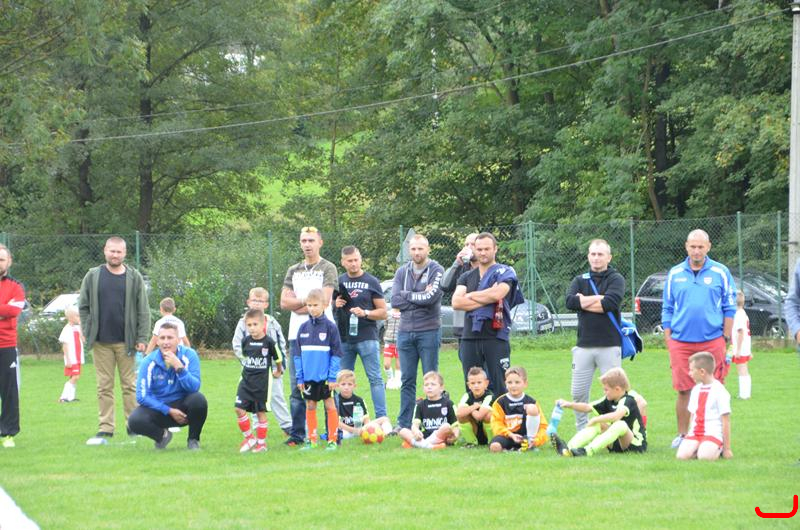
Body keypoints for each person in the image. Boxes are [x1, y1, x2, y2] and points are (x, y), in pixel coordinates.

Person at [662, 229, 736, 449]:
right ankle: (683, 435)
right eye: (693, 247)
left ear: (708, 247)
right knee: (683, 389)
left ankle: (716, 437)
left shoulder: (721, 272)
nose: (696, 251)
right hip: (681, 342)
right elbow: (667, 307)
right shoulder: (675, 273)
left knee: (715, 389)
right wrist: (669, 339)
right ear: (686, 247)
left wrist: (725, 336)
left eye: (700, 247)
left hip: (712, 340)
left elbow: (729, 306)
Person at [79, 236, 151, 444]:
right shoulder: (93, 275)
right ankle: (106, 428)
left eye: (119, 251)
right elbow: (83, 306)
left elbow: (143, 310)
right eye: (112, 251)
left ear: (125, 253)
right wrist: (86, 330)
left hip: (127, 342)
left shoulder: (134, 277)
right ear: (105, 251)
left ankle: (134, 425)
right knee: (104, 387)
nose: (115, 255)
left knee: (130, 386)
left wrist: (142, 337)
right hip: (100, 342)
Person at [280, 226, 338, 446]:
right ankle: (298, 434)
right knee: (298, 386)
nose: (307, 244)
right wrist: (308, 302)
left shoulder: (328, 267)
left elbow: (325, 301)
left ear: (320, 242)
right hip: (297, 335)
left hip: (324, 336)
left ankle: (332, 435)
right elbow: (284, 302)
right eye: (303, 240)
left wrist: (299, 304)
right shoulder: (293, 270)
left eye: (311, 240)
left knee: (328, 387)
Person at [452, 232, 524, 397]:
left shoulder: (504, 272)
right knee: (473, 388)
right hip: (469, 337)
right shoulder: (466, 276)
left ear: (495, 249)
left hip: (496, 336)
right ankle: (476, 415)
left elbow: (499, 293)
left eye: (486, 249)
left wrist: (470, 296)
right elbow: (456, 302)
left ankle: (500, 414)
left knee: (500, 385)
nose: (483, 253)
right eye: (479, 249)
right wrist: (487, 297)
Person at [564, 239, 625, 430]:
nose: (596, 258)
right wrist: (598, 298)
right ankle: (582, 430)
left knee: (614, 392)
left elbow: (610, 304)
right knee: (578, 392)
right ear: (588, 256)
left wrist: (584, 301)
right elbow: (570, 302)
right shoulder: (579, 280)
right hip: (584, 345)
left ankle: (613, 431)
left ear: (609, 257)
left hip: (610, 344)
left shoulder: (616, 279)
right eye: (593, 254)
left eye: (600, 254)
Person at [390, 234, 445, 433]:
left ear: (428, 249)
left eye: (420, 248)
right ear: (409, 250)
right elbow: (395, 301)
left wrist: (407, 296)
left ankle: (434, 423)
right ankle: (403, 424)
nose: (417, 252)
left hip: (429, 330)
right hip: (405, 332)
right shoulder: (401, 272)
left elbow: (431, 298)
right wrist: (419, 296)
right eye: (413, 249)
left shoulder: (437, 270)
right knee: (407, 380)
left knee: (431, 379)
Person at [127, 322, 207, 450]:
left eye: (170, 338)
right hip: (160, 408)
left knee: (199, 400)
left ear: (178, 340)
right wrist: (168, 410)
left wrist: (179, 367)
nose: (166, 342)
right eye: (162, 338)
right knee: (134, 421)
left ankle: (193, 440)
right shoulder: (148, 361)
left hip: (183, 407)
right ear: (157, 341)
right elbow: (142, 396)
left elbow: (194, 387)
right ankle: (162, 436)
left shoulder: (189, 355)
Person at [335, 246, 389, 421]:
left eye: (356, 260)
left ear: (361, 259)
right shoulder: (338, 281)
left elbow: (383, 312)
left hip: (367, 337)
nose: (353, 264)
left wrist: (365, 312)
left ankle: (382, 419)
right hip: (344, 338)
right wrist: (334, 304)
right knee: (342, 380)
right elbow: (327, 309)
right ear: (343, 262)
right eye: (349, 261)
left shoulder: (371, 281)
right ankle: (342, 421)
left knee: (375, 378)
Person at [232, 287, 292, 435]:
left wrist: (281, 366)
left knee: (277, 396)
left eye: (260, 301)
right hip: (251, 370)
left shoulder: (272, 322)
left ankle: (287, 426)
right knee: (252, 398)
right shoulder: (243, 323)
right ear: (248, 302)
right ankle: (257, 427)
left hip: (271, 369)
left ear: (266, 304)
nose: (257, 304)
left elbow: (280, 344)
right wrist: (247, 362)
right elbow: (237, 345)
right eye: (254, 300)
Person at [551, 367, 647, 457]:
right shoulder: (608, 399)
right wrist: (568, 404)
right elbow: (587, 407)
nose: (604, 392)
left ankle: (587, 451)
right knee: (599, 424)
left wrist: (596, 419)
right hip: (617, 443)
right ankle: (567, 448)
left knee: (620, 425)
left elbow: (616, 416)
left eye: (606, 389)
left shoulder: (628, 400)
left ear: (617, 389)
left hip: (635, 445)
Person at [292, 288, 342, 450]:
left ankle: (332, 440)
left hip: (325, 378)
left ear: (324, 305)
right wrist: (300, 377)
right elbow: (297, 356)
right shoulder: (303, 328)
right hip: (308, 378)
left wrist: (332, 377)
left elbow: (336, 354)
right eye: (309, 305)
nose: (312, 309)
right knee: (310, 406)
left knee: (330, 406)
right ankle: (311, 440)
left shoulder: (330, 327)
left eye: (315, 305)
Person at [234, 309, 282, 453]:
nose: (252, 328)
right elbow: (245, 357)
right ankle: (250, 438)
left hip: (262, 384)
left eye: (255, 324)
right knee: (238, 409)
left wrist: (278, 370)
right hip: (246, 381)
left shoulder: (269, 342)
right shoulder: (245, 341)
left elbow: (278, 358)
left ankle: (261, 444)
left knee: (260, 413)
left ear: (263, 324)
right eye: (249, 325)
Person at [676, 352, 733, 460]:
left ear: (702, 371)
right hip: (696, 432)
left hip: (712, 433)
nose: (689, 373)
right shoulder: (695, 390)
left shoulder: (719, 391)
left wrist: (727, 449)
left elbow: (725, 420)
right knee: (681, 456)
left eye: (692, 370)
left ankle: (717, 448)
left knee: (704, 457)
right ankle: (699, 447)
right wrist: (690, 434)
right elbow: (692, 415)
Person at [0, 244, 25, 448]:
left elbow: (14, 311)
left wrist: (7, 311)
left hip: (6, 345)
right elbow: (6, 310)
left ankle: (8, 434)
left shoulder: (16, 286)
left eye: (1, 259)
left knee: (9, 390)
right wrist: (4, 310)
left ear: (9, 262)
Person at [489, 366, 548, 453]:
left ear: (525, 383)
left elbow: (543, 426)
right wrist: (510, 434)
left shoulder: (531, 401)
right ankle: (511, 450)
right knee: (494, 447)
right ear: (505, 383)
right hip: (508, 436)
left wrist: (536, 440)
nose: (513, 386)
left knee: (532, 408)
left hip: (526, 437)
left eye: (517, 382)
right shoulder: (500, 402)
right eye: (510, 382)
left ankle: (530, 443)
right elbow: (496, 424)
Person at [399, 371, 458, 450]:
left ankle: (418, 444)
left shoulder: (448, 403)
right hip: (425, 436)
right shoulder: (420, 405)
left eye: (433, 384)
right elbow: (415, 425)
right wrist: (416, 431)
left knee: (446, 426)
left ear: (441, 388)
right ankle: (429, 446)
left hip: (442, 436)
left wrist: (455, 437)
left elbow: (455, 425)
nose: (429, 387)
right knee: (403, 431)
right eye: (426, 385)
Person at [335, 369, 393, 440]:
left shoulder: (359, 400)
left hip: (360, 429)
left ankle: (387, 434)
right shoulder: (335, 401)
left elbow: (366, 419)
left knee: (384, 419)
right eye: (343, 384)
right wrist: (353, 430)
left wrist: (367, 429)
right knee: (339, 433)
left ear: (354, 386)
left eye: (349, 384)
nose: (346, 387)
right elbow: (336, 422)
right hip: (346, 430)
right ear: (338, 385)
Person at [442, 232, 479, 339]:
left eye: (473, 244)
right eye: (466, 244)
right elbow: (445, 285)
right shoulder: (460, 268)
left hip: (483, 325)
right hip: (462, 327)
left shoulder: (489, 269)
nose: (469, 247)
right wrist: (457, 263)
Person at [455, 367, 494, 446]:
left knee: (488, 415)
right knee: (461, 416)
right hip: (475, 428)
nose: (476, 386)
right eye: (473, 383)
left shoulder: (490, 396)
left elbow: (479, 416)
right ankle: (471, 442)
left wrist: (469, 408)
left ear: (486, 383)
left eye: (479, 382)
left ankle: (492, 441)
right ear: (469, 385)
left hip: (486, 431)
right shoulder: (467, 396)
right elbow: (458, 413)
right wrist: (474, 406)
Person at [58, 306, 84, 403]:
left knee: (74, 377)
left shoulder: (77, 328)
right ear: (71, 317)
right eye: (77, 316)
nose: (79, 318)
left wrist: (81, 327)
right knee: (75, 377)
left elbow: (83, 340)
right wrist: (68, 359)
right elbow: (64, 345)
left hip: (78, 357)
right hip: (72, 358)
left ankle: (71, 397)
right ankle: (63, 397)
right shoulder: (66, 329)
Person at [730, 291, 752, 400]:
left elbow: (741, 332)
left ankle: (744, 394)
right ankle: (745, 393)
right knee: (744, 369)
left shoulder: (738, 315)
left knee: (741, 369)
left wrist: (738, 350)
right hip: (745, 346)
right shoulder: (743, 313)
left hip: (741, 347)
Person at [382, 308, 401, 389]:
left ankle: (398, 382)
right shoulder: (388, 314)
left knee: (399, 365)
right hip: (388, 343)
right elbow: (385, 326)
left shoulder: (404, 314)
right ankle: (390, 379)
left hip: (400, 343)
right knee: (386, 364)